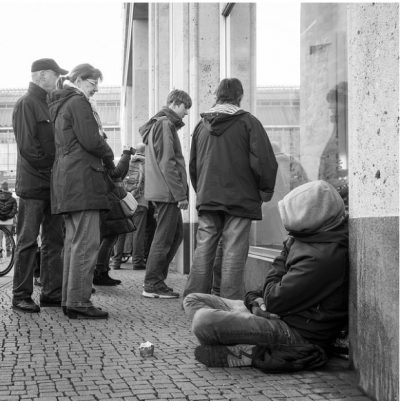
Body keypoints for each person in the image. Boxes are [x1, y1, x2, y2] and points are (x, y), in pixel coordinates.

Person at [183, 180, 349, 372]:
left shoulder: (322, 257)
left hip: (295, 333)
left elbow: (274, 298)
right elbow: (270, 291)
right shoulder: (309, 236)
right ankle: (242, 342)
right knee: (192, 300)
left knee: (204, 321)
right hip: (276, 314)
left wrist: (264, 299)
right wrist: (254, 301)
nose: (289, 235)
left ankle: (252, 351)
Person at [183, 78, 278, 300]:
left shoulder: (201, 126)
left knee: (204, 247)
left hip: (209, 196)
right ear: (239, 96)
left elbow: (194, 164)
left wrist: (202, 191)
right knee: (234, 249)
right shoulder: (248, 122)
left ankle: (194, 299)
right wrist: (265, 190)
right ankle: (229, 301)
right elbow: (263, 160)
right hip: (240, 197)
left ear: (217, 95)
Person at [49, 63, 114, 319]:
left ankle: (70, 298)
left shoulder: (63, 102)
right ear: (79, 79)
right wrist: (108, 150)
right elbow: (91, 140)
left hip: (68, 182)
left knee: (75, 243)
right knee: (86, 243)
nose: (96, 88)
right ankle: (80, 301)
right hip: (83, 181)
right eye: (92, 82)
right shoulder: (78, 102)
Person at [12, 58, 68, 313]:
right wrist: (53, 169)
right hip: (34, 185)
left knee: (54, 241)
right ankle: (21, 295)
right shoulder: (26, 103)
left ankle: (51, 293)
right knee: (27, 241)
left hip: (52, 185)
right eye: (57, 76)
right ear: (44, 75)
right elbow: (27, 148)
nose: (59, 80)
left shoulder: (50, 104)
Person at [139, 89, 191, 298]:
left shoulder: (159, 124)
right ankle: (152, 283)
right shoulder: (165, 124)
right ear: (176, 104)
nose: (186, 113)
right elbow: (168, 162)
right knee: (165, 238)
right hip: (167, 192)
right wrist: (181, 195)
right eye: (186, 107)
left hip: (162, 190)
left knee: (175, 234)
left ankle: (156, 280)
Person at [93, 147, 135, 285]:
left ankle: (102, 270)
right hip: (108, 200)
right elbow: (117, 173)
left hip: (106, 199)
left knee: (109, 238)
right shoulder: (100, 154)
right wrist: (126, 155)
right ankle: (99, 272)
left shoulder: (97, 155)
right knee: (109, 237)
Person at [0, 181, 17, 253]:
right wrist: (8, 216)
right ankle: (8, 249)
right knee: (8, 235)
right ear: (8, 187)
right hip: (9, 221)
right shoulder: (13, 199)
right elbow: (14, 210)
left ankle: (0, 248)